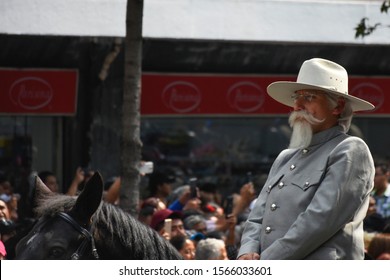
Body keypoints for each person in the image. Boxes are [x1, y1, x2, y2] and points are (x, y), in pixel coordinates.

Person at [238, 58, 375, 260]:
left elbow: (319, 221)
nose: (297, 105)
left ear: (337, 106)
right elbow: (257, 215)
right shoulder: (285, 157)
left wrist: (265, 263)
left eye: (309, 97)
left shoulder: (350, 149)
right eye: (297, 96)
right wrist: (247, 251)